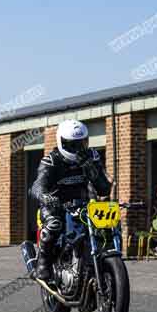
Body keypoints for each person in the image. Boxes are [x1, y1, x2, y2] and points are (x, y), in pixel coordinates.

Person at [30, 119, 112, 282]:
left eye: (81, 144)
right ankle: (43, 263)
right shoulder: (52, 160)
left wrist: (89, 166)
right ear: (62, 143)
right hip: (55, 204)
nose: (78, 149)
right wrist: (46, 197)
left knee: (105, 224)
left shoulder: (92, 156)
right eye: (73, 145)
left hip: (82, 204)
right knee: (54, 224)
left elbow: (104, 189)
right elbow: (36, 187)